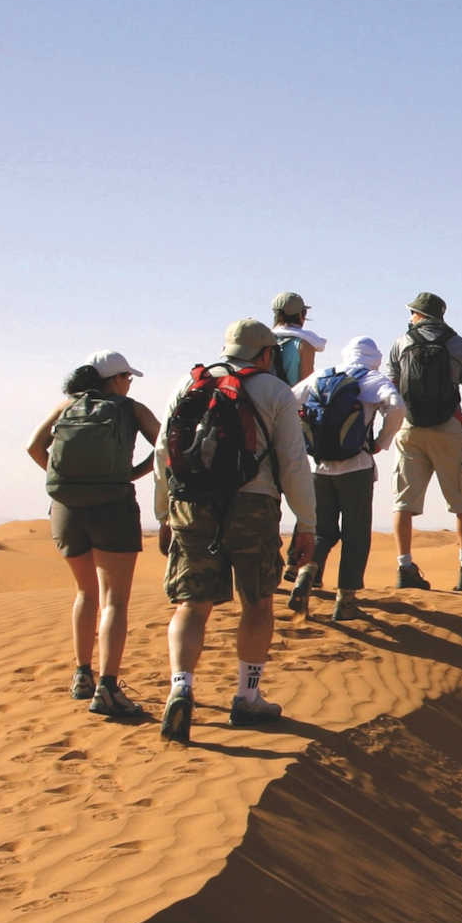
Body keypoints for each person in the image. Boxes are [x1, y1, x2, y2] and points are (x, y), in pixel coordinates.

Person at [155, 319, 316, 744]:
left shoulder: (190, 385)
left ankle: (181, 688)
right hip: (253, 505)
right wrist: (307, 523)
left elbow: (162, 455)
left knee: (192, 604)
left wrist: (162, 516)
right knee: (258, 603)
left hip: (191, 505)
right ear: (266, 354)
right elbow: (294, 463)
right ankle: (247, 696)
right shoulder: (274, 390)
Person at [26, 351, 162, 718]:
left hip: (67, 508)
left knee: (85, 592)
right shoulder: (131, 408)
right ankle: (108, 687)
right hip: (113, 507)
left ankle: (82, 675)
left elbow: (34, 448)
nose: (129, 384)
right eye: (127, 378)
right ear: (115, 379)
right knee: (115, 600)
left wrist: (67, 480)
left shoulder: (66, 406)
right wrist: (131, 473)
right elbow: (166, 447)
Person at [288, 335, 406, 621]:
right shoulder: (372, 380)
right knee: (356, 534)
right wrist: (383, 440)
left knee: (321, 530)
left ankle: (306, 574)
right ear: (373, 358)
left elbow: (288, 401)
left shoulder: (321, 377)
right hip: (357, 468)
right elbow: (397, 406)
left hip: (319, 467)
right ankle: (346, 600)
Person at [386, 291, 462, 593]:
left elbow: (390, 390)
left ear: (419, 315)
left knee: (403, 501)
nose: (409, 318)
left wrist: (394, 429)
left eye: (412, 313)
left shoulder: (400, 343)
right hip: (449, 428)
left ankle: (404, 567)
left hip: (409, 429)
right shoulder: (459, 345)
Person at [271, 291, 327, 386]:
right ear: (302, 314)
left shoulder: (265, 340)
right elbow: (306, 385)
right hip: (290, 399)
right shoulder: (304, 344)